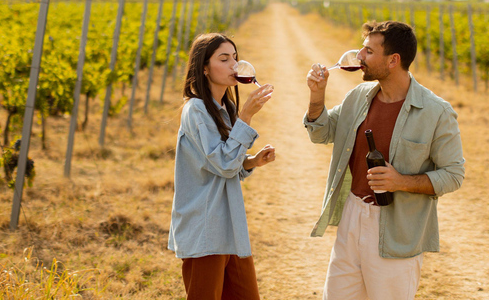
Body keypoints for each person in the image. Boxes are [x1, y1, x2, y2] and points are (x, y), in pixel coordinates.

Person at [303, 21, 465, 300]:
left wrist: (400, 181)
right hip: (352, 216)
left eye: (368, 51)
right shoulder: (358, 97)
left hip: (397, 230)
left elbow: (453, 175)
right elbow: (322, 133)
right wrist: (317, 96)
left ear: (393, 60)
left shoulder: (436, 112)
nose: (359, 57)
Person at [169, 33, 276, 300]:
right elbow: (224, 164)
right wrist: (246, 116)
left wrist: (251, 161)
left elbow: (227, 164)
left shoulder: (225, 107)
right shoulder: (196, 110)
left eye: (235, 58)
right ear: (204, 68)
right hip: (205, 226)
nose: (234, 65)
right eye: (224, 59)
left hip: (230, 224)